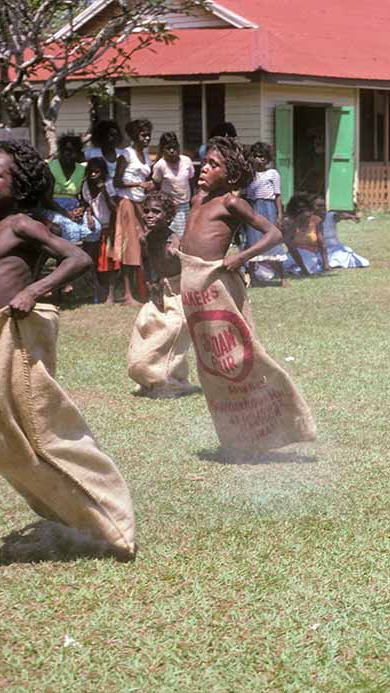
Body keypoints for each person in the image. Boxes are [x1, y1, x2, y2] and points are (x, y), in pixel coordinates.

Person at [0, 140, 135, 559]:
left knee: (43, 432)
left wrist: (34, 289)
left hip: (17, 343)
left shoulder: (21, 225)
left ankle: (110, 520)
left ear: (21, 188)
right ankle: (67, 514)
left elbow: (76, 259)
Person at [178, 136, 315, 458]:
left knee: (239, 357)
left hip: (217, 288)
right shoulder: (197, 200)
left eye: (214, 165)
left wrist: (241, 258)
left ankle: (282, 420)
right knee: (213, 367)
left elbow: (274, 233)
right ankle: (237, 438)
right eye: (205, 162)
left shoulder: (231, 203)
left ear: (232, 176)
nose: (205, 169)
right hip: (193, 288)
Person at [127, 189, 194, 398]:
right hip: (161, 290)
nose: (149, 215)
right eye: (146, 211)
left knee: (172, 332)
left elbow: (188, 266)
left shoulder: (173, 240)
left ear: (169, 216)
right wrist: (150, 283)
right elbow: (146, 262)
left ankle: (171, 382)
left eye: (156, 212)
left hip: (180, 291)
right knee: (144, 325)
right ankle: (147, 377)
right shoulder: (146, 239)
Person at [111, 118, 154, 306]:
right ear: (135, 135)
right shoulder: (126, 155)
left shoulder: (145, 154)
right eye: (143, 135)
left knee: (144, 245)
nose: (147, 138)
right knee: (129, 248)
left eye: (148, 135)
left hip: (140, 203)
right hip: (127, 203)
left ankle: (142, 289)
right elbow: (116, 182)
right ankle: (128, 295)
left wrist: (149, 185)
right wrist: (138, 184)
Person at [241, 142, 284, 282]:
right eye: (258, 156)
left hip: (269, 208)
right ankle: (252, 277)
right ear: (252, 158)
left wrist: (279, 214)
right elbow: (245, 195)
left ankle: (282, 277)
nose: (261, 160)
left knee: (273, 241)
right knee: (254, 241)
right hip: (253, 209)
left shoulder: (272, 173)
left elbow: (277, 195)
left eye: (264, 157)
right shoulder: (249, 175)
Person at [81, 157, 117, 303]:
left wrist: (105, 191)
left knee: (110, 262)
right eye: (91, 171)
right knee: (95, 261)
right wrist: (89, 216)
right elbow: (87, 203)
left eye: (97, 171)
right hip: (95, 228)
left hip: (110, 226)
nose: (93, 174)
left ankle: (111, 294)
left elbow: (114, 208)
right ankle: (97, 292)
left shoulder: (108, 184)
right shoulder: (86, 186)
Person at [151, 132, 194, 237]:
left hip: (185, 205)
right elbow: (156, 186)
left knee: (187, 235)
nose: (172, 151)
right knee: (172, 237)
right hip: (169, 208)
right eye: (168, 148)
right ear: (162, 150)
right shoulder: (160, 166)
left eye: (174, 147)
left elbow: (191, 181)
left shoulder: (187, 161)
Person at [283, 193, 329, 275]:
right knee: (284, 265)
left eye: (310, 211)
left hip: (310, 254)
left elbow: (322, 244)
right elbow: (291, 247)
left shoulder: (316, 221)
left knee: (308, 265)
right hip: (294, 255)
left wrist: (326, 264)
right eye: (305, 212)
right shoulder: (291, 224)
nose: (309, 214)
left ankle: (295, 270)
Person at [320, 204, 370, 269]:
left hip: (334, 247)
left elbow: (340, 216)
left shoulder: (330, 215)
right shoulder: (311, 217)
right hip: (317, 248)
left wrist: (351, 216)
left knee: (345, 252)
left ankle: (334, 263)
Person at [48, 132, 86, 213]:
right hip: (53, 209)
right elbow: (46, 198)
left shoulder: (82, 170)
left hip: (74, 209)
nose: (69, 154)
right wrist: (66, 214)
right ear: (61, 151)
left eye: (74, 151)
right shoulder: (50, 167)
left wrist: (80, 210)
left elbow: (84, 199)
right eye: (67, 150)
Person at [84, 119, 123, 183]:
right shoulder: (91, 153)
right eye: (111, 135)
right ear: (102, 136)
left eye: (116, 135)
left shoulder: (123, 154)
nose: (114, 138)